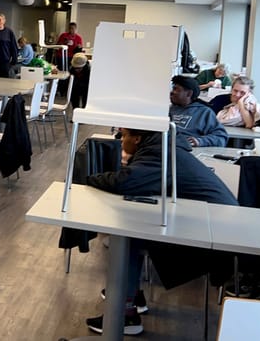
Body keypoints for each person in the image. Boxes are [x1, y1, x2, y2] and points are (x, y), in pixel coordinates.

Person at [84, 128, 237, 335]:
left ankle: (125, 313)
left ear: (137, 138)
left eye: (123, 135)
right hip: (210, 220)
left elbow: (126, 181)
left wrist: (89, 178)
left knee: (129, 237)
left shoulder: (157, 153)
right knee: (133, 232)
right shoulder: (163, 145)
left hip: (214, 232)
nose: (120, 141)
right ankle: (130, 299)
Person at [169, 75, 228, 147]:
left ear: (189, 94)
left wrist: (199, 141)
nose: (172, 92)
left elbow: (221, 137)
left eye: (176, 89)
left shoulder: (204, 112)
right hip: (166, 147)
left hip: (187, 150)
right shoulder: (170, 109)